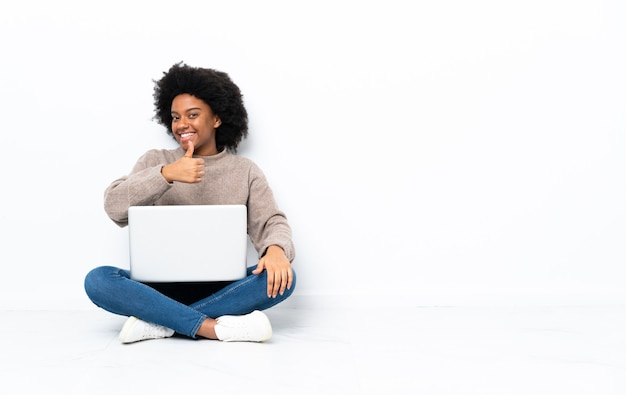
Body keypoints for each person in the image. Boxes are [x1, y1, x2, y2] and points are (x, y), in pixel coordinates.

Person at [84, 62, 296, 344]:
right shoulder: (155, 161)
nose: (181, 125)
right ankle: (212, 327)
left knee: (285, 277)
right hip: (158, 288)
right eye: (175, 117)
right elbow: (114, 207)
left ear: (217, 119)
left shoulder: (244, 170)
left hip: (224, 288)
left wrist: (276, 249)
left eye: (192, 115)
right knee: (98, 280)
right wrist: (166, 175)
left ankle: (162, 321)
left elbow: (271, 221)